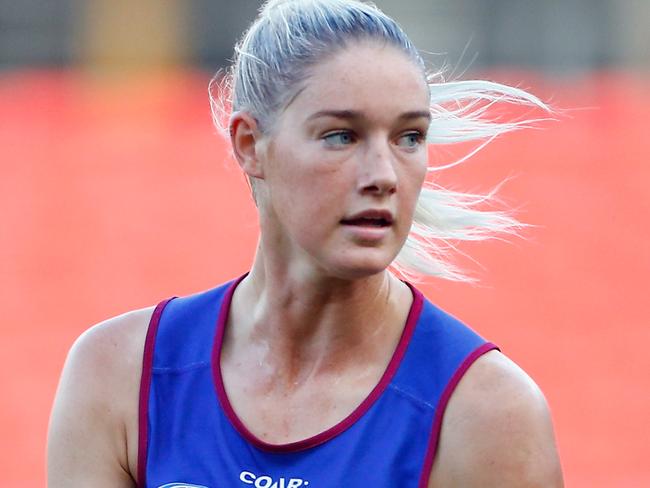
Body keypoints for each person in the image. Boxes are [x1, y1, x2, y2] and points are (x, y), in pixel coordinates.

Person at [47, 0, 563, 486]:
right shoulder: (119, 374)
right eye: (341, 135)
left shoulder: (488, 413)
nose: (384, 175)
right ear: (250, 144)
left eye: (409, 137)